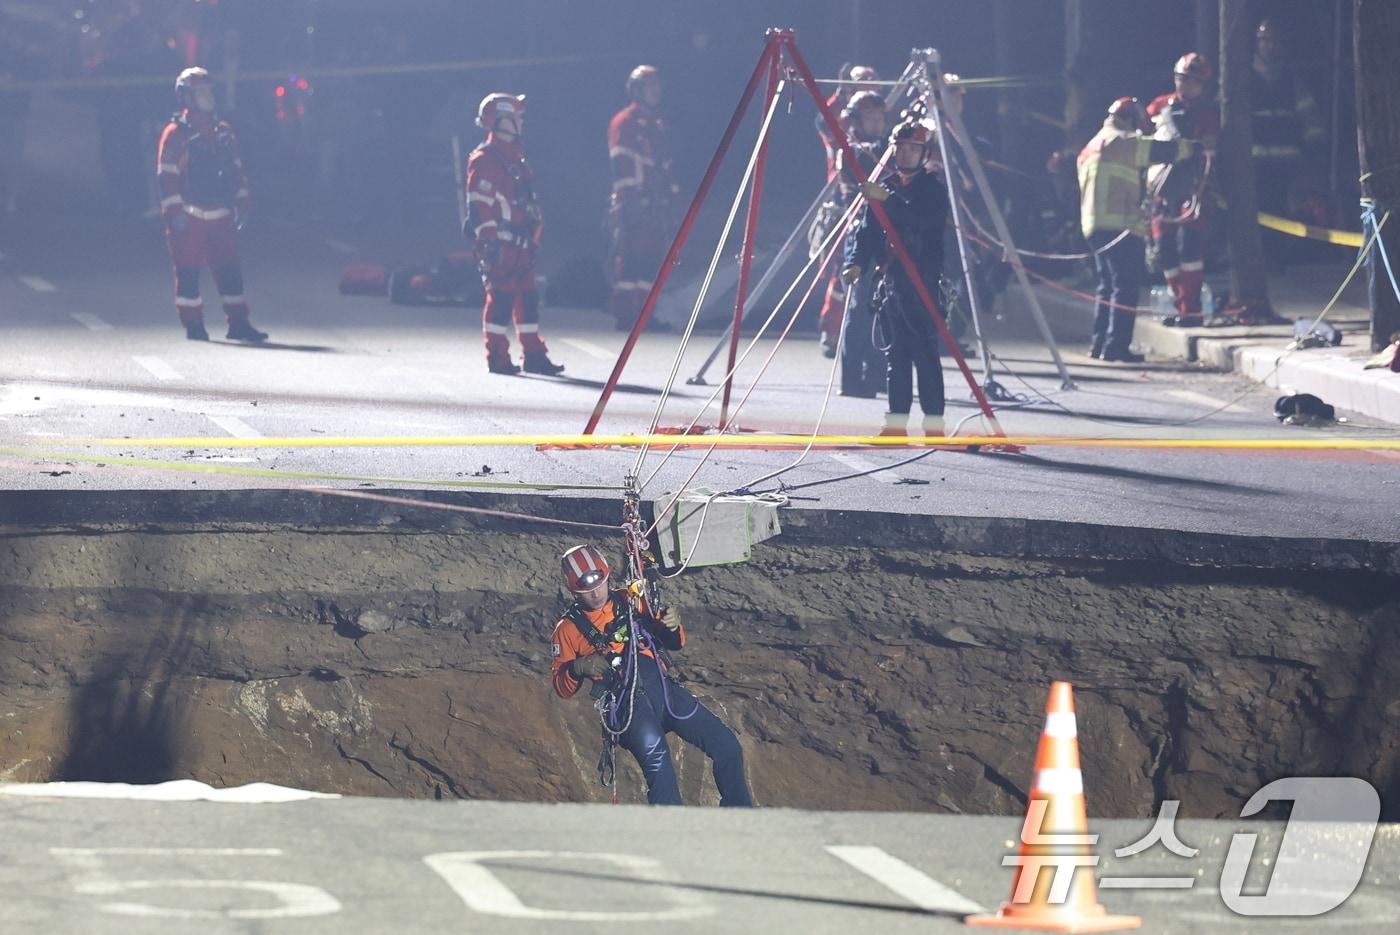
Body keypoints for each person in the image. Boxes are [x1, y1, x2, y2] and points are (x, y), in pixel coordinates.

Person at [550, 544, 753, 807]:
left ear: (607, 576)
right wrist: (578, 668)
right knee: (659, 766)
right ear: (573, 590)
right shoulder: (567, 630)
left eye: (599, 583)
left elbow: (674, 642)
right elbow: (561, 688)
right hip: (628, 707)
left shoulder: (631, 600)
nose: (595, 592)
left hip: (664, 691)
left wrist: (672, 624)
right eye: (586, 589)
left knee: (726, 745)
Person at [841, 118, 949, 437]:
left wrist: (887, 201)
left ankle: (934, 426)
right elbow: (867, 233)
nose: (905, 155)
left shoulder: (932, 189)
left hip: (922, 281)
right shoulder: (884, 186)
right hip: (890, 283)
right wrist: (856, 263)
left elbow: (921, 219)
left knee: (926, 356)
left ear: (923, 153)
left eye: (913, 149)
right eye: (901, 149)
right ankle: (896, 425)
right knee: (896, 355)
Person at [1077, 97, 1195, 362]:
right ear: (1129, 119)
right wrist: (1191, 148)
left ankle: (1099, 345)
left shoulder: (1090, 147)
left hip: (1093, 226)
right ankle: (1116, 347)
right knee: (1125, 287)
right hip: (1120, 225)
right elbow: (1162, 152)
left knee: (1106, 287)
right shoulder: (1123, 141)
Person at [157, 67, 268, 342]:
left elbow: (235, 168)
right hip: (189, 214)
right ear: (187, 97)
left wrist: (243, 199)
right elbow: (167, 174)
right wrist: (174, 211)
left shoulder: (223, 132)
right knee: (188, 273)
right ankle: (193, 324)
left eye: (209, 91)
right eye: (201, 92)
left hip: (220, 214)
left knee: (230, 272)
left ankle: (238, 322)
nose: (208, 97)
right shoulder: (175, 134)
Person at [465, 92, 564, 375]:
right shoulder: (486, 159)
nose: (521, 122)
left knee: (528, 300)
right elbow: (478, 204)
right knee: (501, 300)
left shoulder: (515, 157)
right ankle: (497, 356)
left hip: (522, 243)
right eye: (516, 117)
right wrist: (489, 240)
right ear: (500, 121)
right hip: (502, 244)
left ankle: (533, 354)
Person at [819, 91, 889, 394]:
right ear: (857, 121)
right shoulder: (849, 150)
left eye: (879, 118)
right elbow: (870, 172)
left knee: (884, 306)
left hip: (887, 236)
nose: (876, 123)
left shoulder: (889, 147)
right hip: (861, 235)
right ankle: (851, 379)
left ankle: (876, 373)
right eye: (870, 118)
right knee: (859, 308)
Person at [1146, 53, 1220, 328]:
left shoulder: (1207, 113)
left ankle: (1192, 309)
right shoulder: (1158, 106)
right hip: (1161, 189)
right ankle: (1179, 303)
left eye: (1191, 81)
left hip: (1192, 188)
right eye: (1181, 79)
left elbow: (1210, 150)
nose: (1184, 85)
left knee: (1188, 249)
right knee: (1165, 251)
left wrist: (1203, 186)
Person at [607, 65, 680, 333]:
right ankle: (626, 314)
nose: (656, 91)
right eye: (651, 86)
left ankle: (646, 313)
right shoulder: (623, 122)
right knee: (630, 260)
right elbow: (622, 162)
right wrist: (631, 200)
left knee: (652, 261)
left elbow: (666, 164)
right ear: (637, 90)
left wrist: (673, 197)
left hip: (656, 203)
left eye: (657, 85)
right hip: (634, 203)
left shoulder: (657, 125)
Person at [1250, 18, 1326, 265]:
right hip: (1254, 166)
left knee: (1285, 215)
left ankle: (1279, 261)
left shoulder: (1292, 81)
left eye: (1274, 41)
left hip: (1288, 168)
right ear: (1257, 43)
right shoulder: (1243, 81)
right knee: (1258, 217)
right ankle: (1263, 262)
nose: (1270, 46)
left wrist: (1312, 154)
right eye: (1265, 40)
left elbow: (1311, 120)